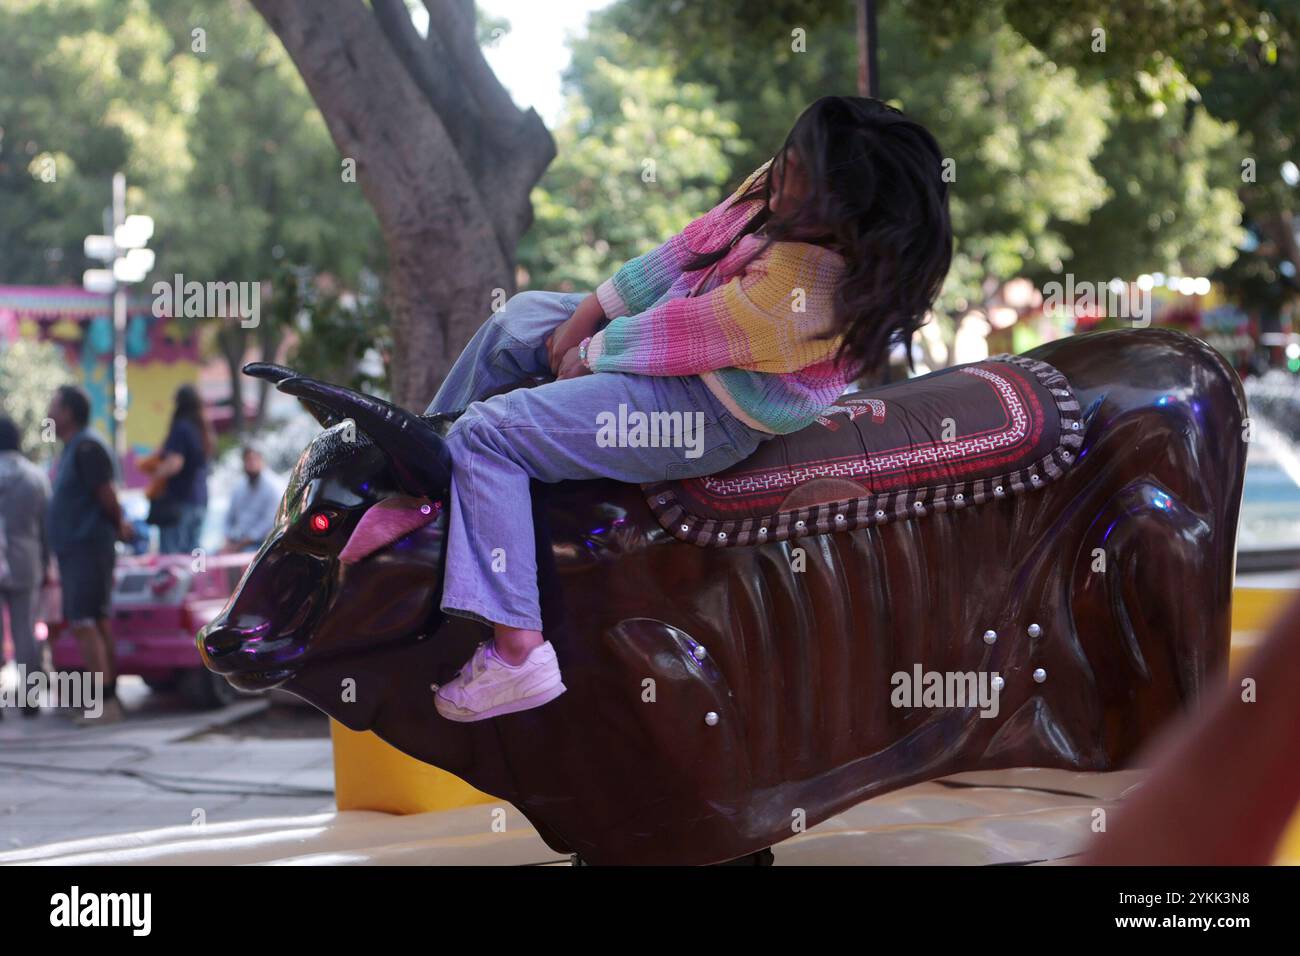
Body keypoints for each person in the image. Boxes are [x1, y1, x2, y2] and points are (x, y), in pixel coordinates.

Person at [427, 96, 954, 721]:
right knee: (516, 321)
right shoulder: (778, 185)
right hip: (674, 335)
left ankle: (518, 652)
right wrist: (587, 314)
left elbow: (692, 335)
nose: (780, 180)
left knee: (492, 435)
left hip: (710, 408)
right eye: (788, 162)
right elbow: (685, 251)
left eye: (801, 180)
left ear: (845, 212)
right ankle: (418, 467)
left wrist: (590, 352)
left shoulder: (811, 287)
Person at [46, 384, 133, 724]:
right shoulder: (72, 448)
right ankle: (110, 700)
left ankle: (105, 703)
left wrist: (120, 525)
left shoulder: (86, 448)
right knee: (95, 621)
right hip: (77, 551)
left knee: (85, 623)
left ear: (68, 412)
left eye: (53, 404)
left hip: (88, 549)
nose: (48, 411)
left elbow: (106, 495)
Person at [0, 415, 51, 719]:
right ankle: (29, 699)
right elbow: (48, 528)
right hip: (25, 561)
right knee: (24, 633)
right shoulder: (35, 478)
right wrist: (45, 563)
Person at [148, 384, 213, 554]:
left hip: (179, 502)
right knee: (194, 556)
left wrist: (156, 473)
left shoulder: (181, 427)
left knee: (174, 562)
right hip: (200, 500)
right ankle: (197, 581)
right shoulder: (202, 429)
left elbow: (175, 463)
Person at [224, 445, 281, 552]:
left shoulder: (273, 486)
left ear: (261, 460)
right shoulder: (239, 487)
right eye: (248, 460)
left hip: (261, 543)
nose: (251, 464)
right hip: (238, 539)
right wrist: (227, 539)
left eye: (254, 460)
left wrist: (243, 543)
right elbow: (229, 518)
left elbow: (269, 522)